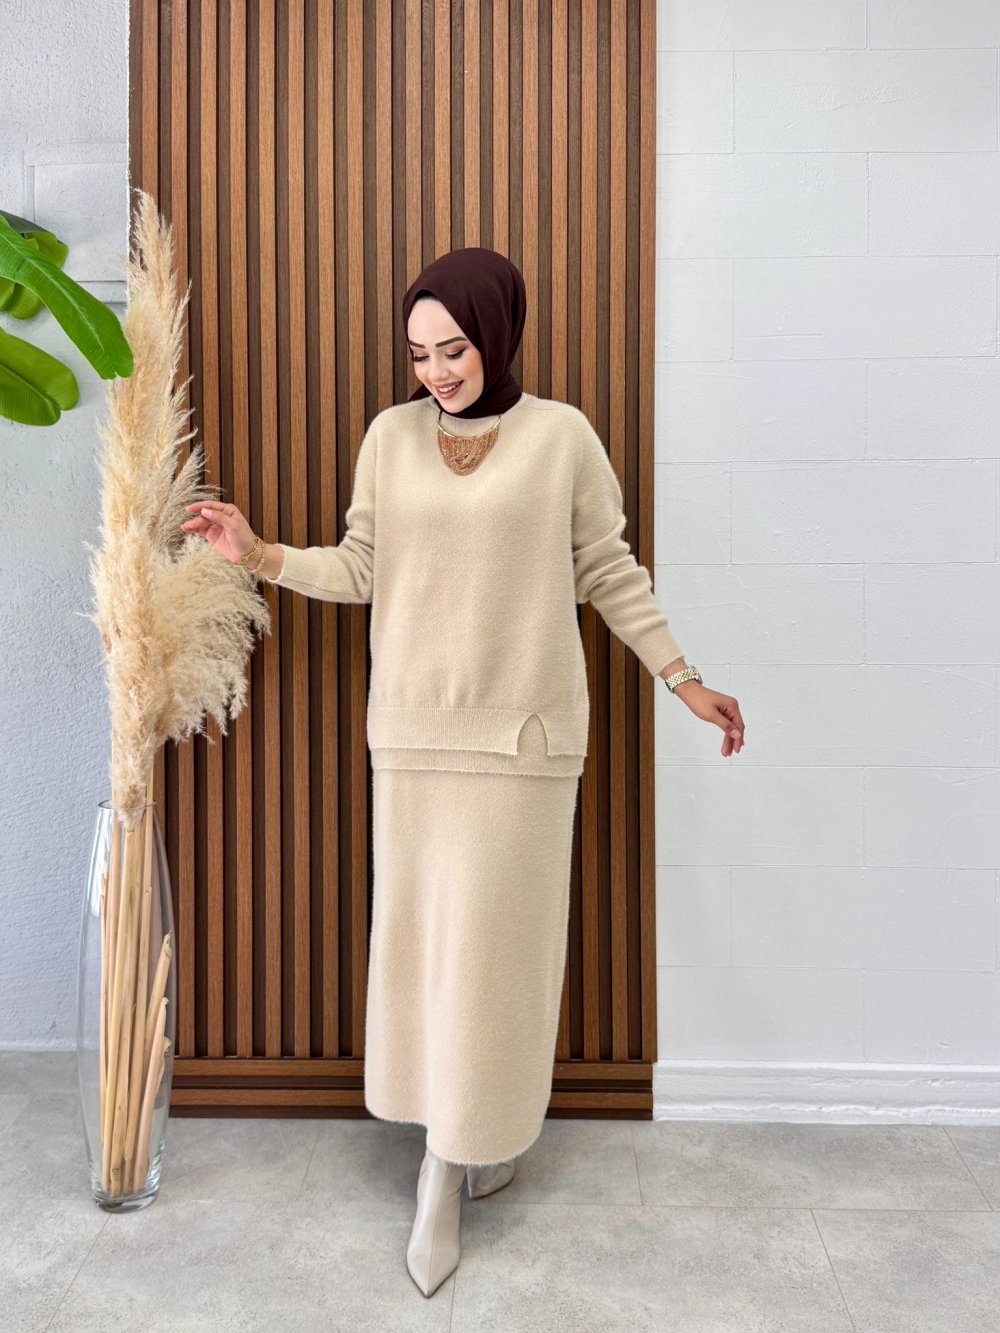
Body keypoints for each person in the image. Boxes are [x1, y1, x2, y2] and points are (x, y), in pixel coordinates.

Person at [180, 245, 746, 1298]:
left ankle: (457, 1156)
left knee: (499, 959)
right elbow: (361, 568)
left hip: (523, 743)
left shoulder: (561, 436)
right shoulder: (389, 439)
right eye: (419, 353)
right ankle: (453, 1145)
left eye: (454, 348)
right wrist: (257, 553)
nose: (437, 371)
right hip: (414, 739)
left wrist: (684, 678)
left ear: (496, 332)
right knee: (424, 953)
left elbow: (607, 569)